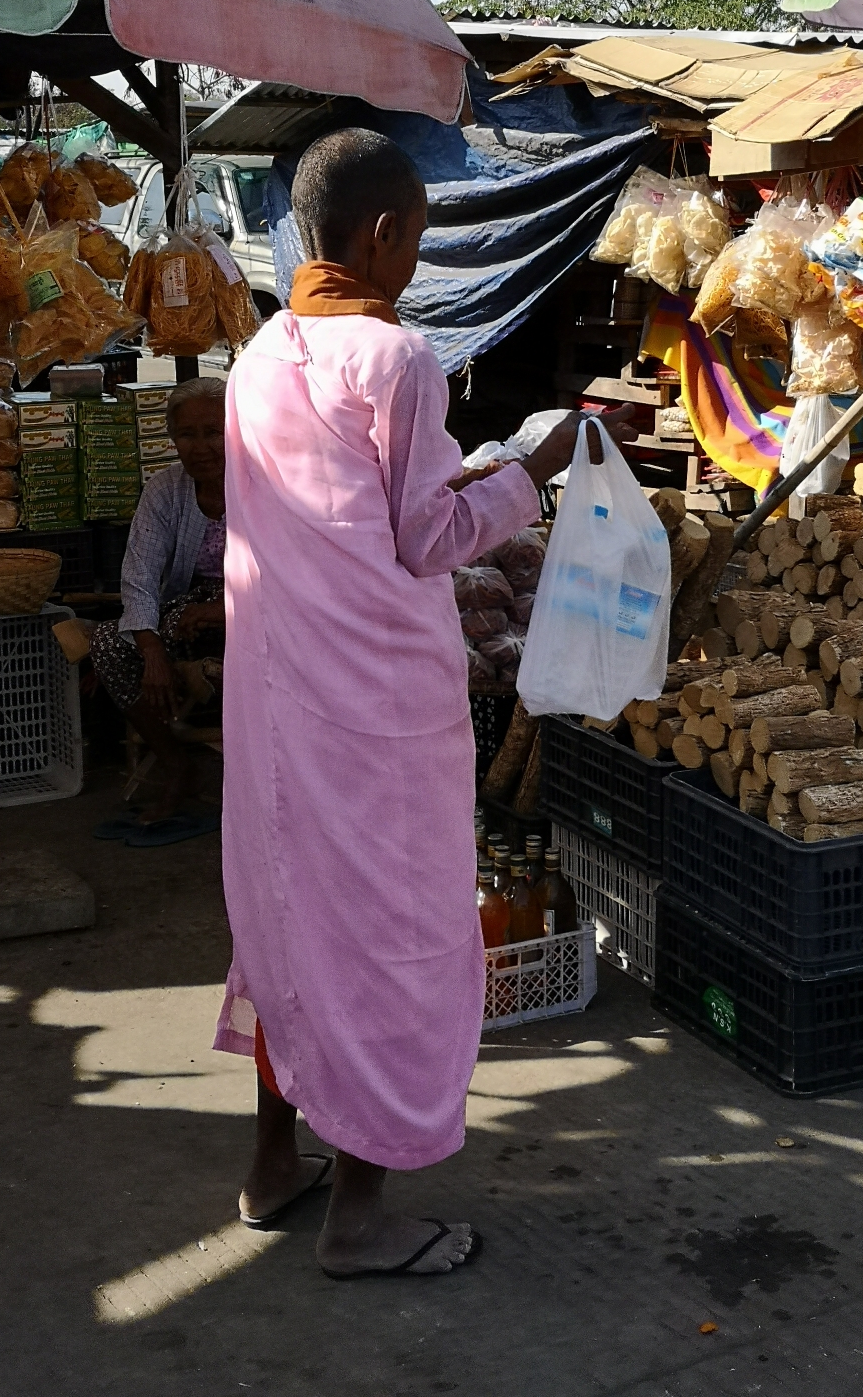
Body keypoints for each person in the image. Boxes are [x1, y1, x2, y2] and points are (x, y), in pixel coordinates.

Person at [213, 127, 634, 1276]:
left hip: (274, 707)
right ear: (386, 233)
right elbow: (425, 535)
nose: (419, 258)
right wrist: (531, 475)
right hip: (376, 715)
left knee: (287, 927)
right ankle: (359, 1218)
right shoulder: (395, 357)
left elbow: (339, 515)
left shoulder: (258, 356)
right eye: (421, 235)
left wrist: (475, 473)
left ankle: (269, 1168)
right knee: (387, 944)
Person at [88, 374, 228, 846]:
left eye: (213, 431)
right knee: (109, 641)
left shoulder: (266, 483)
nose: (201, 446)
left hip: (262, 611)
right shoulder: (166, 489)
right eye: (187, 434)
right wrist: (149, 651)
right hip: (185, 614)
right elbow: (140, 572)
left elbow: (293, 576)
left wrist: (222, 612)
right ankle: (175, 765)